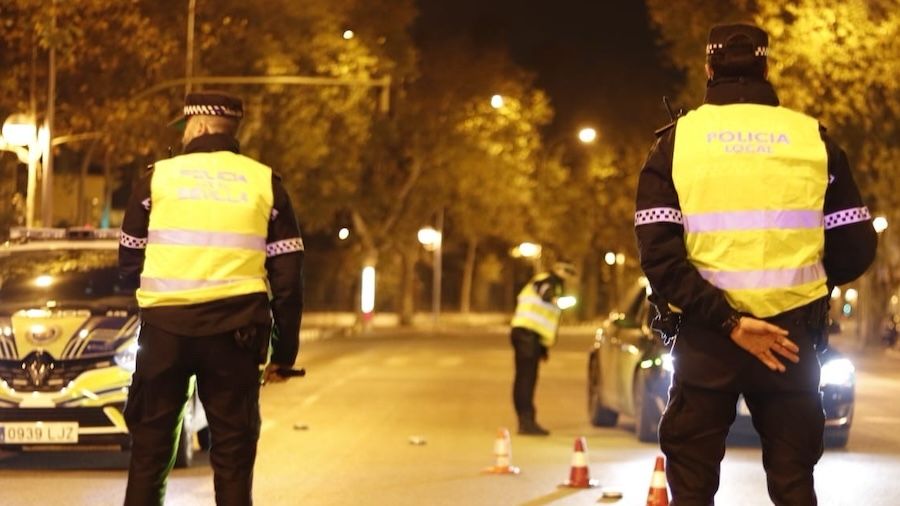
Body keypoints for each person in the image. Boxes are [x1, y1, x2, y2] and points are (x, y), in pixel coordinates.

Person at [635, 23, 877, 505]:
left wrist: (729, 321)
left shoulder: (676, 143)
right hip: (789, 344)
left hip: (706, 345)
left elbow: (659, 257)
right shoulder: (813, 140)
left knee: (692, 490)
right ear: (766, 67)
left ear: (708, 68)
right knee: (793, 488)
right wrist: (800, 289)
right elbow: (855, 248)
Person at [119, 91, 304, 506]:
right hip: (235, 335)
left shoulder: (156, 179)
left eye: (185, 126)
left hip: (165, 333)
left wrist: (148, 305)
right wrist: (283, 353)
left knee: (150, 452)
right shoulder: (265, 182)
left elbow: (129, 260)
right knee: (233, 457)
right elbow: (289, 279)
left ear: (199, 126)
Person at [509, 260, 577, 435]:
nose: (568, 276)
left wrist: (543, 348)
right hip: (526, 335)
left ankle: (526, 420)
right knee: (526, 380)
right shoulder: (547, 280)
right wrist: (553, 298)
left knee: (526, 379)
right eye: (566, 271)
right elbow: (544, 292)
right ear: (557, 268)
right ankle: (526, 422)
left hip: (530, 337)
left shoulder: (555, 284)